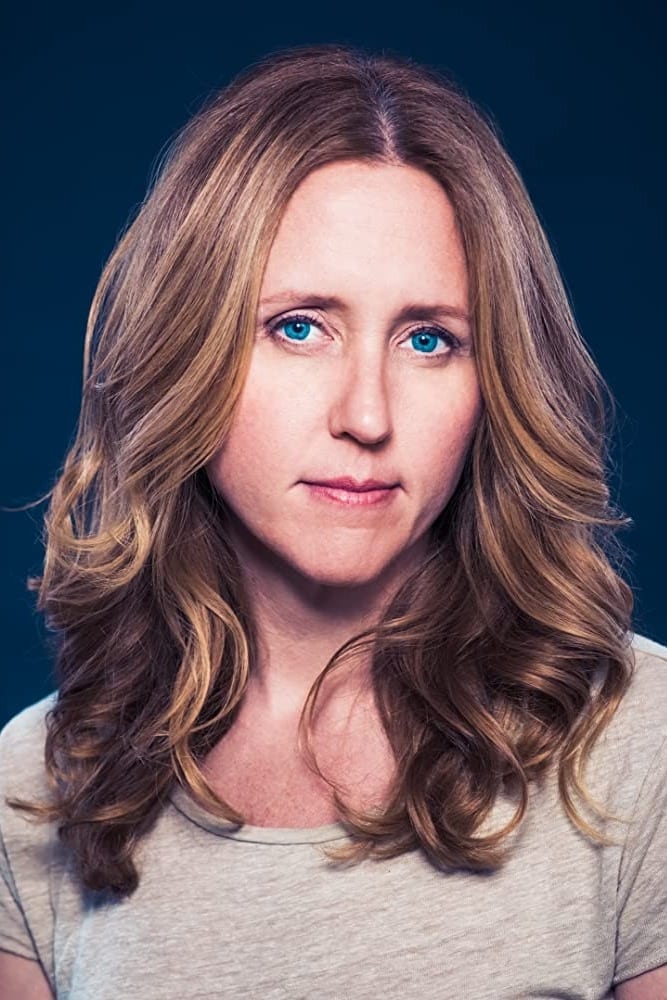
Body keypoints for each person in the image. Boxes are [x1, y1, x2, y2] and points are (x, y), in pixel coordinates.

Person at [0, 42, 665, 1000]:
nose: (366, 414)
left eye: (428, 339)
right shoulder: (36, 786)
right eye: (299, 327)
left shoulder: (639, 742)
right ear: (188, 349)